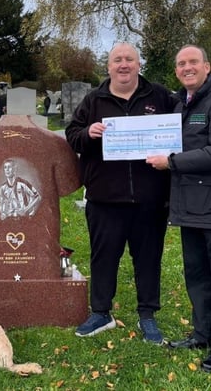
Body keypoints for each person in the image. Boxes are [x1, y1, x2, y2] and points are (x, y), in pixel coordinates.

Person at [65, 41, 178, 342]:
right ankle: (101, 312)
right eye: (118, 60)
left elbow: (179, 129)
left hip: (150, 199)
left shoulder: (161, 96)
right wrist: (88, 133)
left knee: (148, 258)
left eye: (129, 59)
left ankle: (147, 315)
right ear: (109, 66)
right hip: (105, 199)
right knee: (104, 257)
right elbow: (72, 135)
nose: (123, 65)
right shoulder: (94, 100)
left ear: (139, 64)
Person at [147, 44, 211, 372]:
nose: (187, 68)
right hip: (189, 208)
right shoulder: (183, 107)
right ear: (176, 71)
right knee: (198, 276)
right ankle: (202, 333)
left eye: (193, 62)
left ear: (207, 66)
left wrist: (171, 162)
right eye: (181, 64)